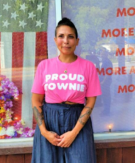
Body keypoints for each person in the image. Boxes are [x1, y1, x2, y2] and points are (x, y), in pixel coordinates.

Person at [31, 17, 101, 163]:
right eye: (61, 36)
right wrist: (44, 132)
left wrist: (73, 133)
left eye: (70, 37)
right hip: (49, 121)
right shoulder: (44, 66)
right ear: (55, 39)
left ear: (77, 41)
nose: (66, 41)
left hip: (77, 121)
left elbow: (90, 103)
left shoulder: (88, 67)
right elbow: (36, 101)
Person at [99, 47, 113, 115]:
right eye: (101, 54)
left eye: (103, 54)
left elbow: (108, 73)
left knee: (106, 96)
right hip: (104, 82)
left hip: (105, 82)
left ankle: (106, 111)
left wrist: (103, 81)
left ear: (106, 55)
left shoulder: (107, 62)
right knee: (104, 96)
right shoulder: (105, 61)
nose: (101, 56)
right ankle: (106, 110)